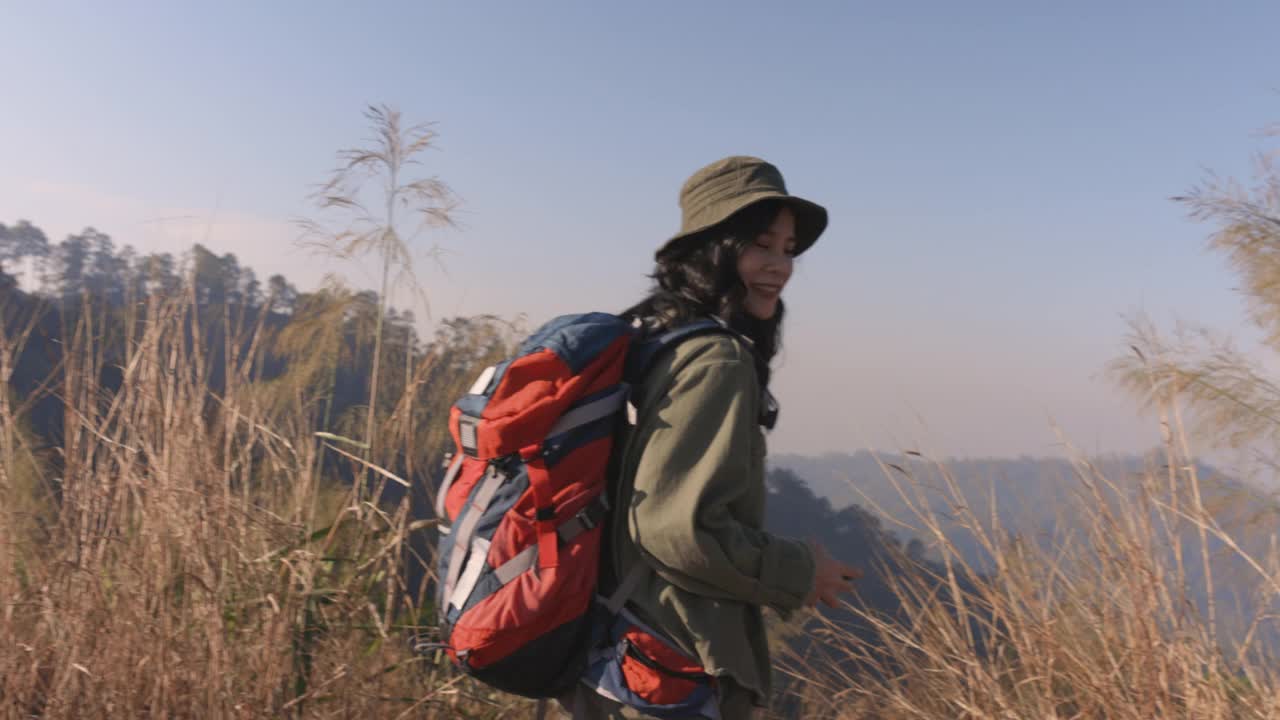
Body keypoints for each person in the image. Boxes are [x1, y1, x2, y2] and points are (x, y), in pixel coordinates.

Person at [557, 156, 862, 719]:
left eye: (788, 249)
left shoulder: (651, 335)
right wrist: (800, 572)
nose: (780, 266)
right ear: (713, 250)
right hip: (665, 668)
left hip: (610, 653)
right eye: (761, 245)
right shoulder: (714, 360)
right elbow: (676, 529)